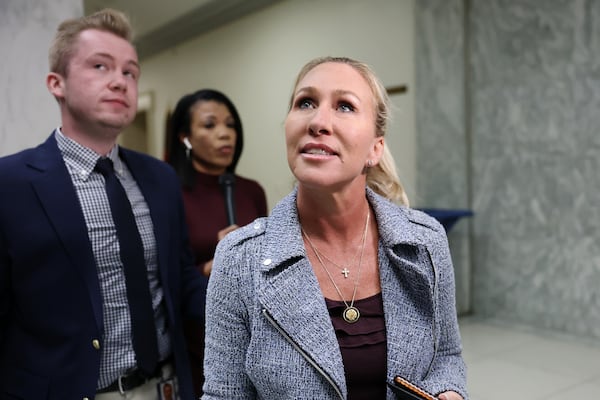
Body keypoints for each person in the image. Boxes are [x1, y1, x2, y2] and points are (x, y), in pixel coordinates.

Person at [202, 56, 468, 399]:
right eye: (306, 103)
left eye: (344, 106)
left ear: (376, 148)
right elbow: (224, 394)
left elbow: (446, 356)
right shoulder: (239, 260)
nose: (318, 121)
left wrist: (449, 392)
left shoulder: (425, 241)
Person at [0, 9, 205, 400]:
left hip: (167, 387)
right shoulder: (10, 184)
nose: (120, 82)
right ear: (56, 83)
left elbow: (181, 276)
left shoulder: (160, 178)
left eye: (130, 72)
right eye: (100, 66)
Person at [167, 89, 268, 396]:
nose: (225, 134)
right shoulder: (170, 191)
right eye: (210, 125)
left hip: (252, 329)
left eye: (230, 125)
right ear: (185, 137)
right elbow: (167, 273)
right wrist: (213, 265)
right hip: (195, 333)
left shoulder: (251, 190)